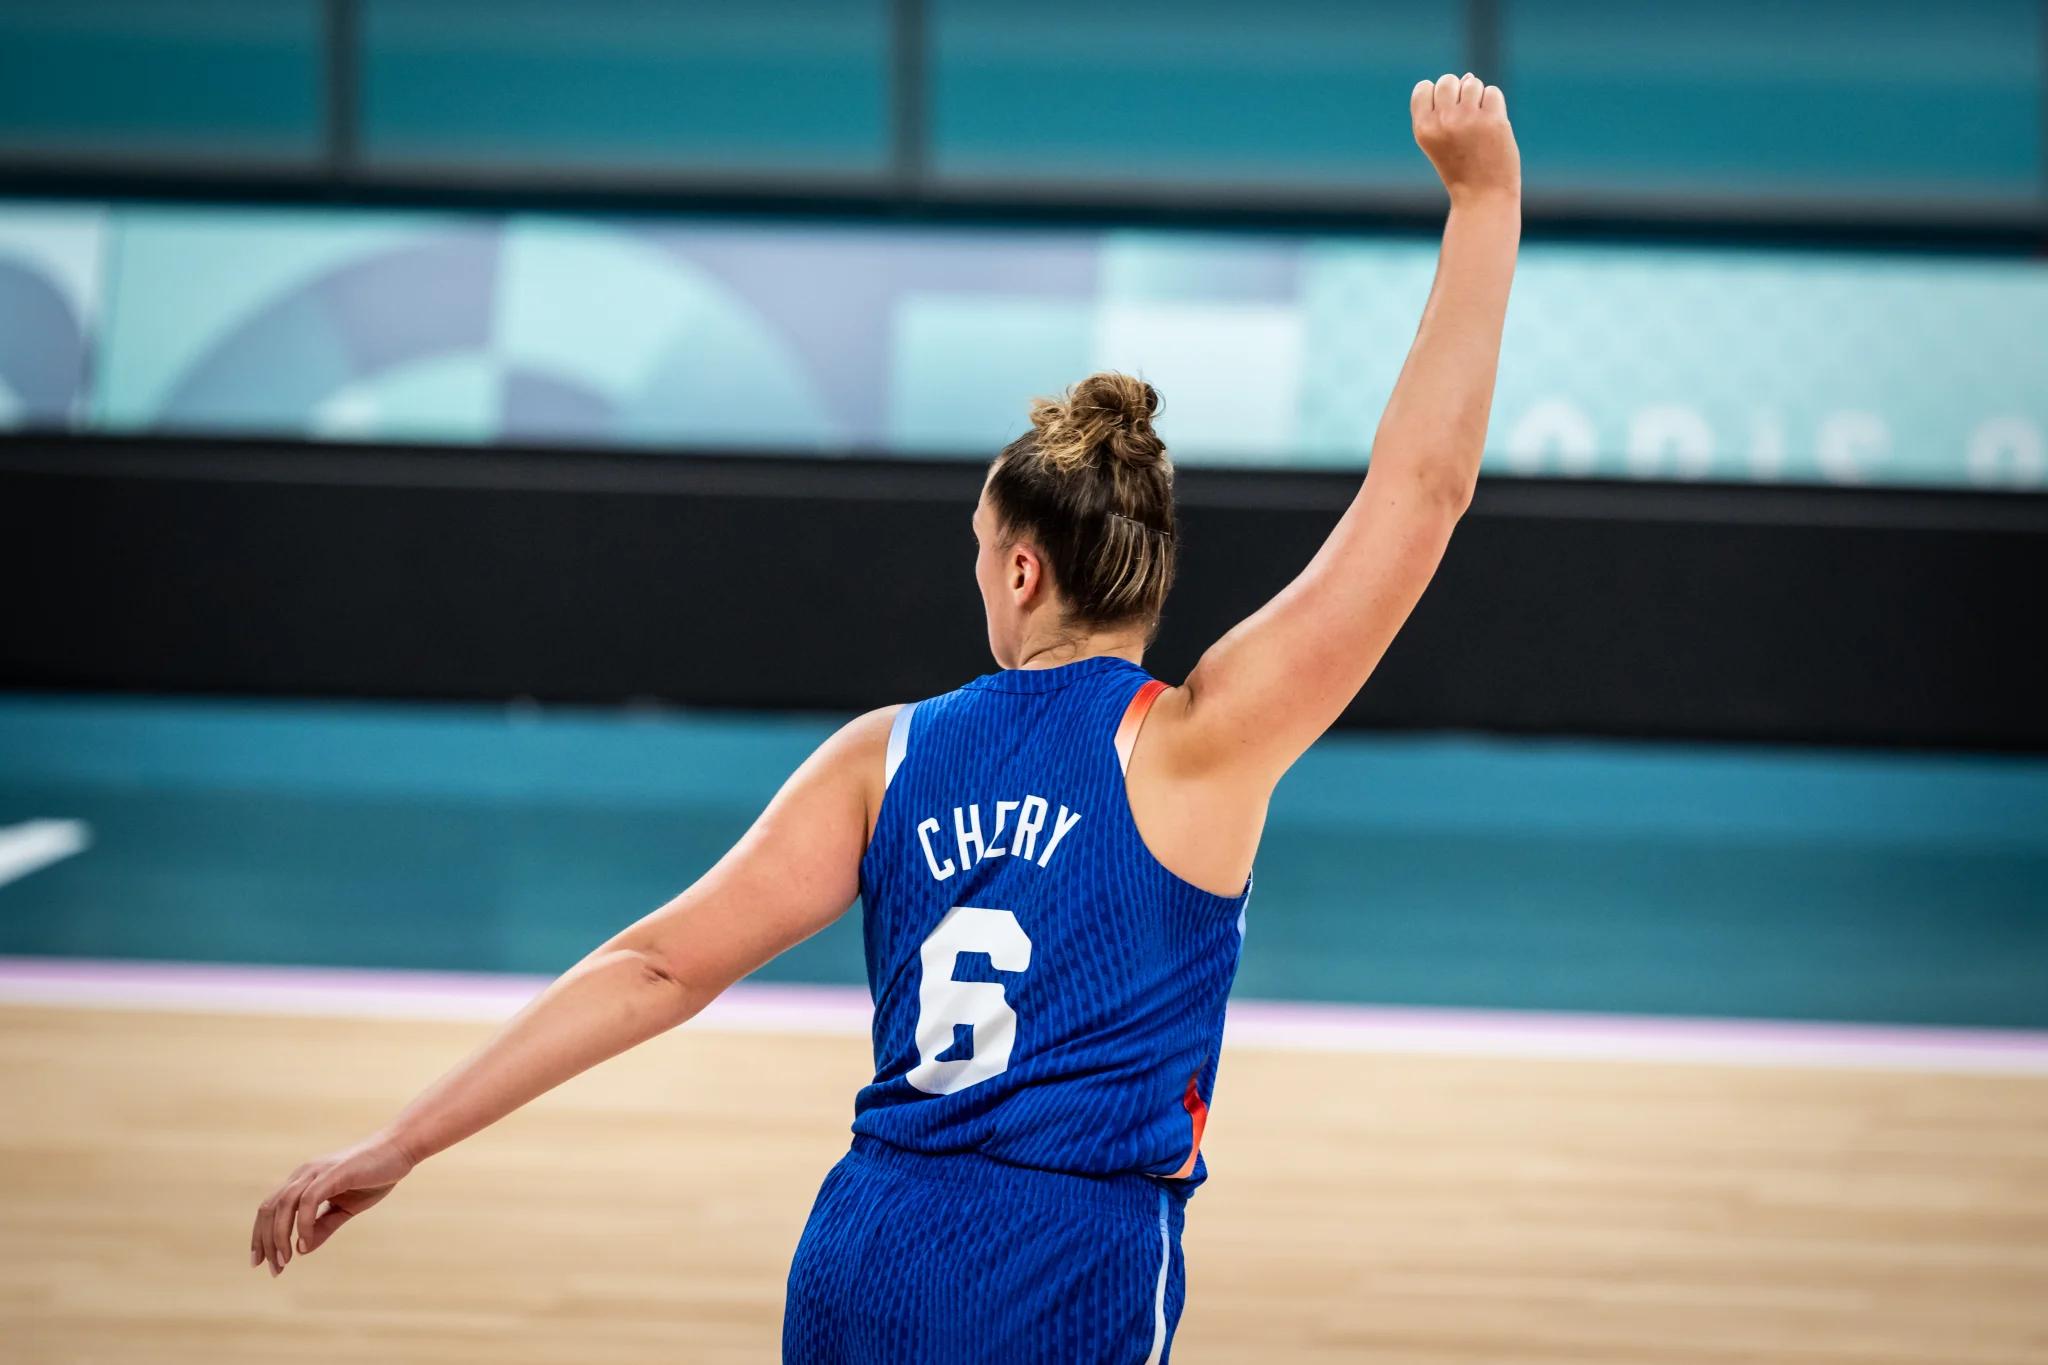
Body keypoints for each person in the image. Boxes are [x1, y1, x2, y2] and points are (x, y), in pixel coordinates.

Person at [250, 72, 1520, 1363]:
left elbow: (656, 965)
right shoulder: (1200, 745)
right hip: (1061, 1271)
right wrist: (1484, 198)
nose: (977, 569)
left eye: (979, 547)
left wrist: (399, 1140)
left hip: (866, 1254)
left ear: (1023, 570)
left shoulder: (885, 756)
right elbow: (1422, 490)